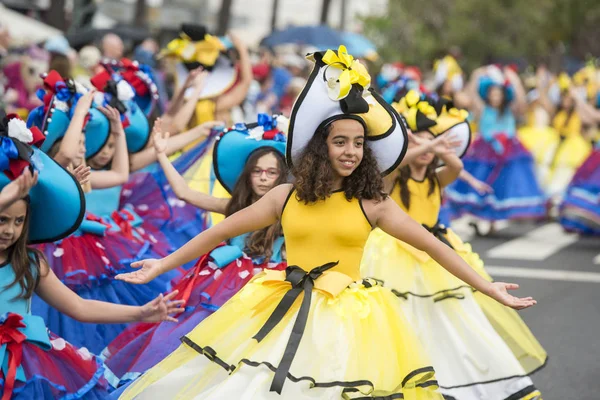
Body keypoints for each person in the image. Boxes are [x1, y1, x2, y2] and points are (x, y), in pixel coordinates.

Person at [114, 45, 535, 400]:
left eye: (358, 143)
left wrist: (488, 288)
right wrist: (161, 265)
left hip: (350, 322)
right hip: (282, 305)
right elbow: (218, 231)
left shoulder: (374, 204)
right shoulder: (284, 196)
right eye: (340, 142)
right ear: (321, 147)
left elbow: (432, 246)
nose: (351, 151)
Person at [362, 92, 545, 400]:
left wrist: (433, 142)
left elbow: (457, 165)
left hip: (434, 248)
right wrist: (417, 143)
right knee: (406, 317)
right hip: (397, 252)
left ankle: (458, 376)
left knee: (453, 317)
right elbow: (390, 167)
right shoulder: (396, 177)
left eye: (429, 144)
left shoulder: (436, 177)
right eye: (416, 143)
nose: (423, 149)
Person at [0, 112, 184, 399]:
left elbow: (79, 307)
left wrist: (140, 313)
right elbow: (65, 150)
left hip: (23, 366)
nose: (10, 230)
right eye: (2, 220)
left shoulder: (32, 264)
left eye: (18, 221)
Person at [103, 114, 289, 387]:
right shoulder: (235, 208)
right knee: (189, 338)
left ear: (282, 176)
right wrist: (161, 154)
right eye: (257, 171)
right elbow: (184, 193)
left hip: (264, 291)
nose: (263, 178)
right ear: (247, 174)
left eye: (271, 172)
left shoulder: (290, 213)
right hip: (221, 286)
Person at [446, 65, 546, 234]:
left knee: (501, 186)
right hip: (485, 152)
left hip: (507, 152)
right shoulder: (482, 109)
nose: (495, 96)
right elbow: (471, 96)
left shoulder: (510, 110)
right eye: (493, 92)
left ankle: (492, 223)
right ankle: (482, 218)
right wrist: (476, 74)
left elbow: (521, 101)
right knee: (483, 184)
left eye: (499, 93)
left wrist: (513, 78)